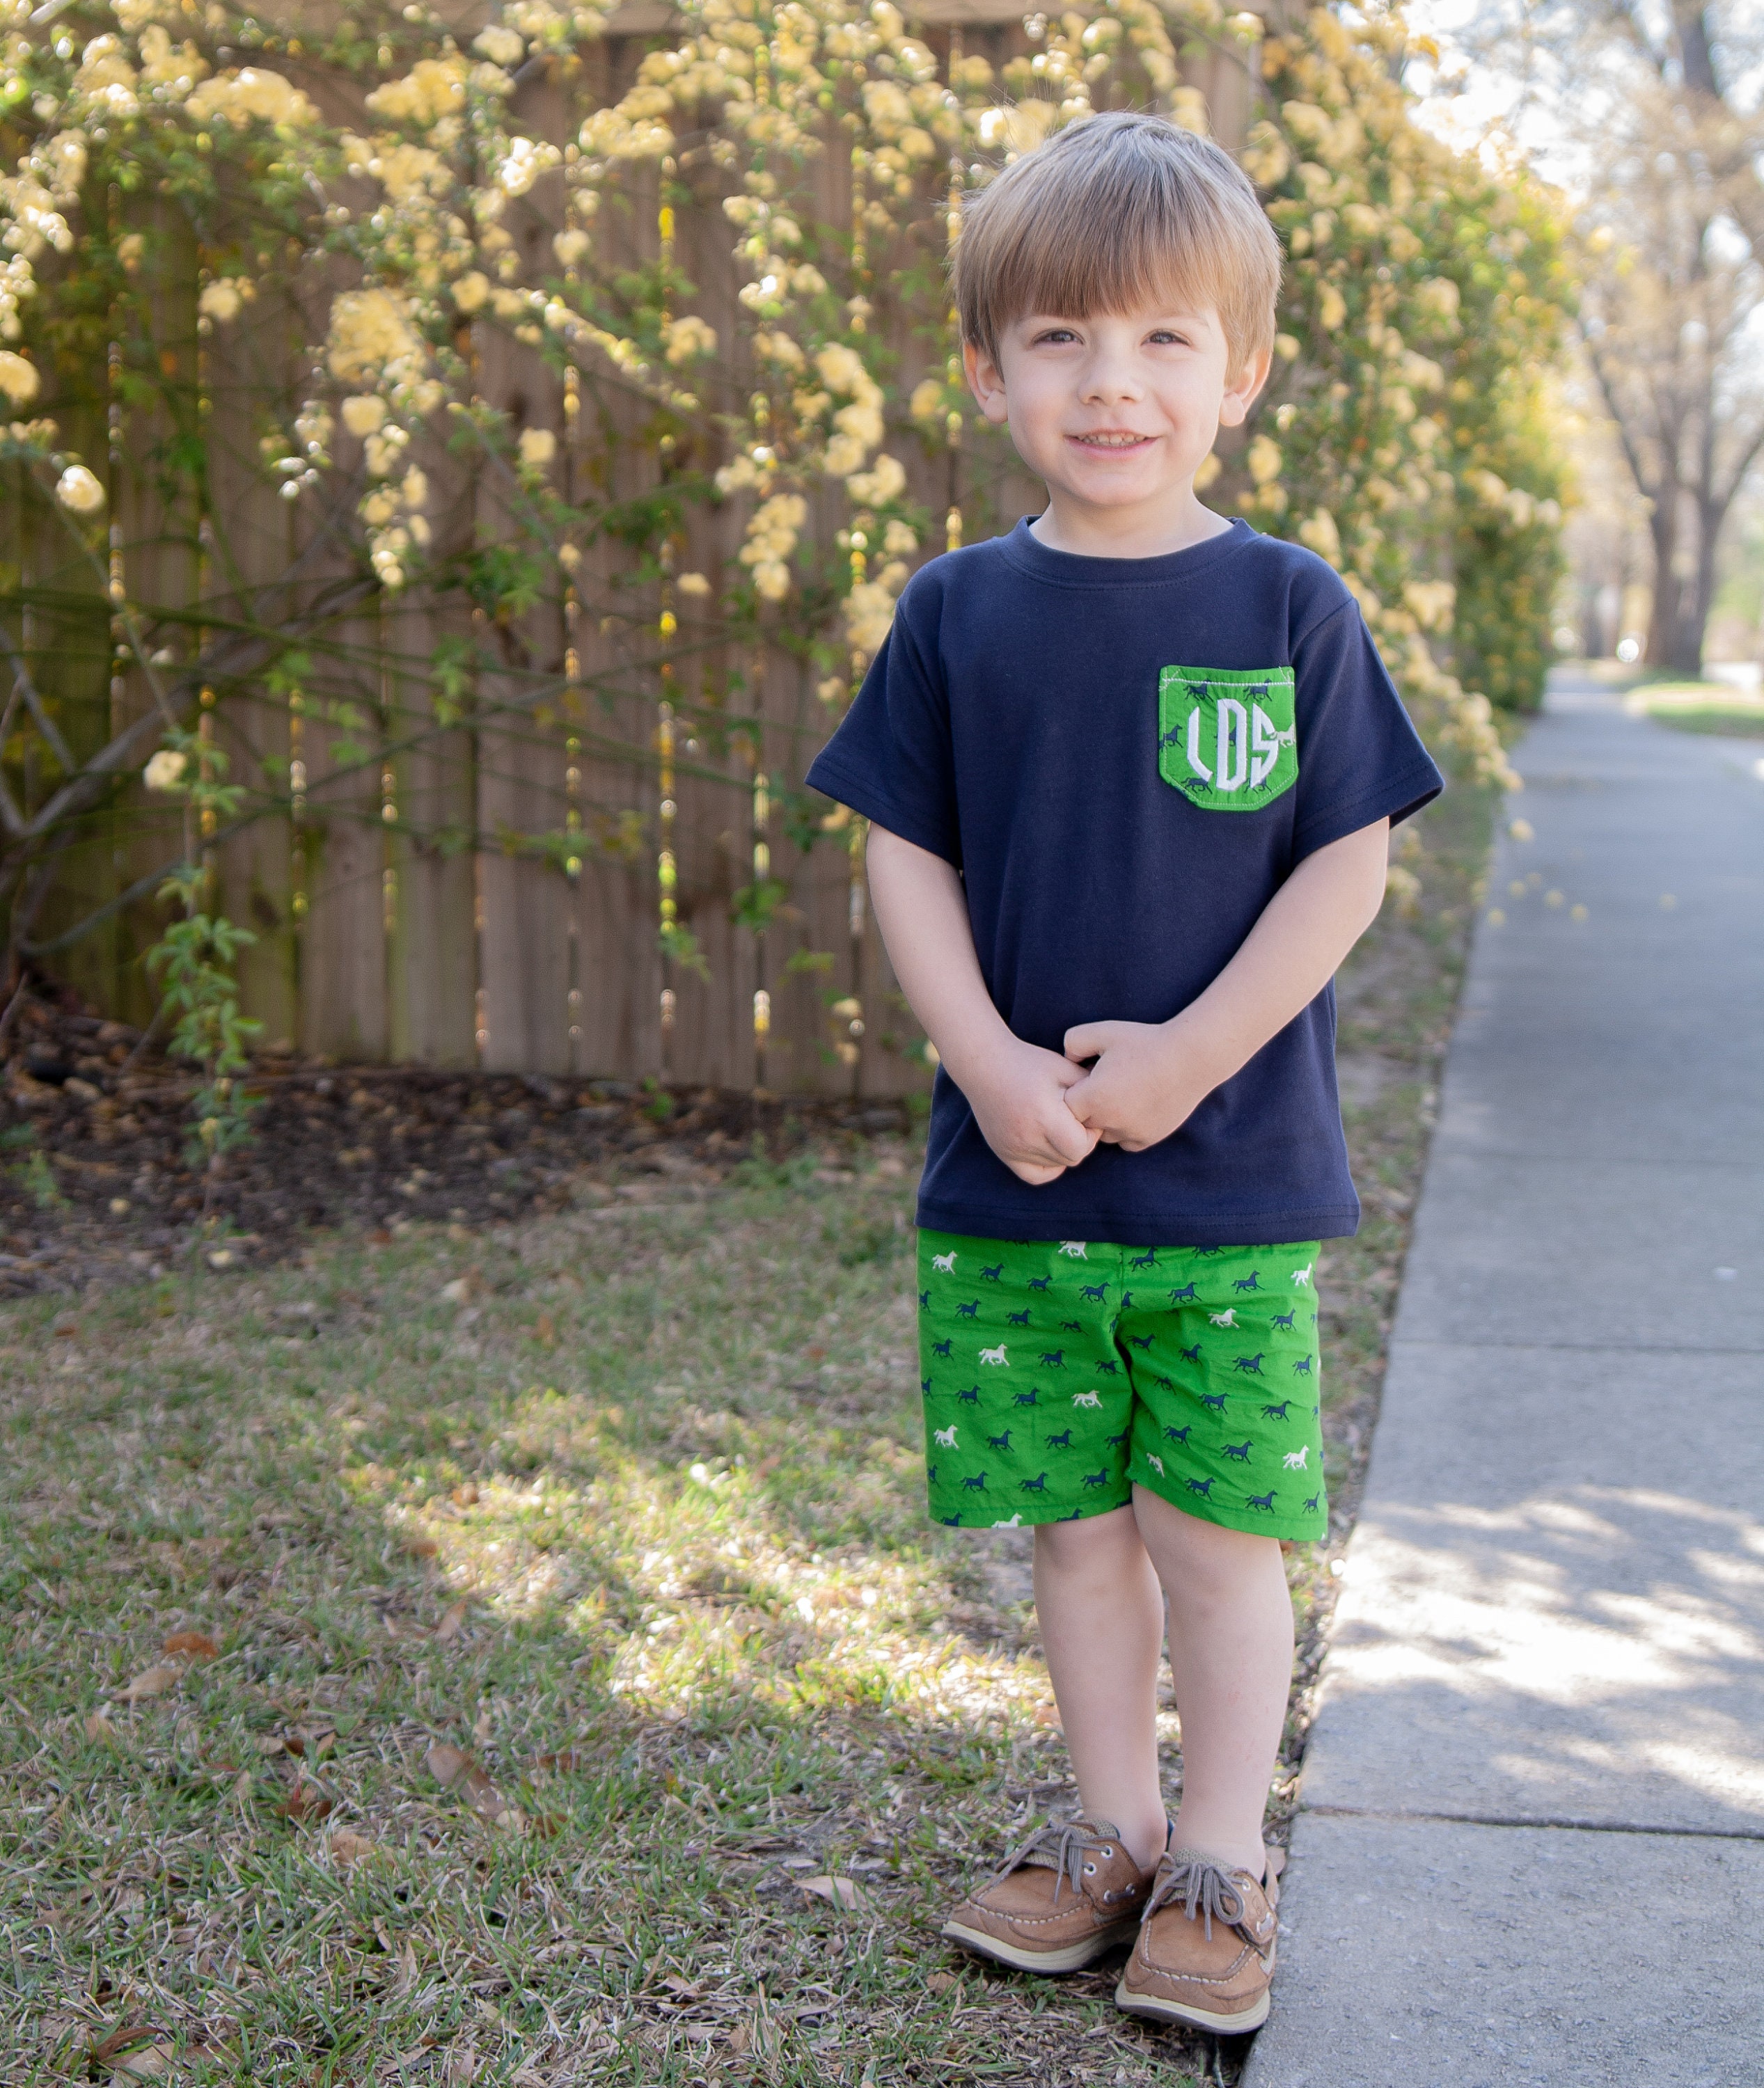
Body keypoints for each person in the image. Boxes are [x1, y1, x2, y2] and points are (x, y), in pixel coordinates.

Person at [804, 111, 1443, 2036]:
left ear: (1239, 377)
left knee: (1214, 1535)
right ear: (989, 368)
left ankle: (1225, 1860)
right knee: (1074, 1532)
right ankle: (1108, 1830)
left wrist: (1190, 1055)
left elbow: (1349, 858)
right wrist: (987, 1056)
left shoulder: (1287, 611)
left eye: (1167, 340)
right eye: (1065, 337)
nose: (1114, 382)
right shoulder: (956, 614)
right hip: (1017, 1180)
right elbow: (900, 852)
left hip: (1229, 1186)